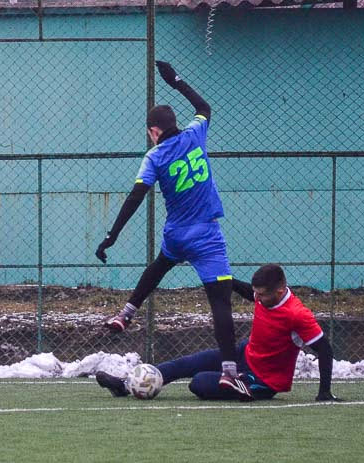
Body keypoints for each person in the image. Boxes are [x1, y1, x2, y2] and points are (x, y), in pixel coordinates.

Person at [95, 61, 249, 397]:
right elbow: (204, 107)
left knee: (160, 264)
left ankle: (127, 312)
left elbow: (137, 196)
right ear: (173, 124)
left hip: (177, 233)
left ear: (153, 131)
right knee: (220, 302)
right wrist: (175, 80)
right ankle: (228, 372)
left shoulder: (154, 156)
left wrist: (113, 235)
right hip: (207, 234)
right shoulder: (196, 133)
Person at [96, 264, 342, 402]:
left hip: (263, 380)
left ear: (279, 292)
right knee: (185, 363)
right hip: (242, 354)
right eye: (256, 292)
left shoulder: (297, 314)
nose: (257, 297)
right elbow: (244, 289)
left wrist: (324, 392)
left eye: (262, 294)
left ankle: (245, 389)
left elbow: (324, 349)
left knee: (200, 383)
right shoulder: (262, 295)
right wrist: (219, 276)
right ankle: (126, 386)